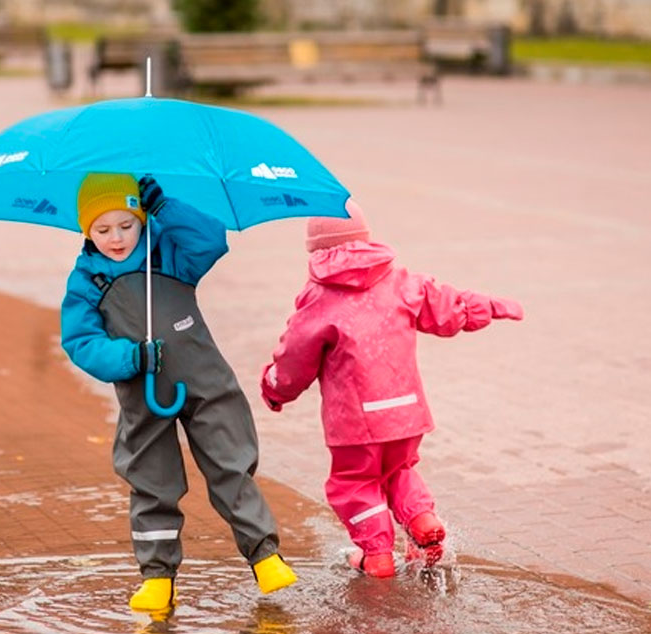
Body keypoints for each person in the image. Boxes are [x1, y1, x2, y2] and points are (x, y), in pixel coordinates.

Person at [61, 172, 297, 610]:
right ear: (86, 231)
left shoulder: (168, 252)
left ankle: (264, 555)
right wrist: (129, 358)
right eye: (103, 229)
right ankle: (158, 577)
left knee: (230, 462)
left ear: (140, 217)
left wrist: (167, 209)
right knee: (151, 480)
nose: (116, 238)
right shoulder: (86, 281)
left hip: (205, 381)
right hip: (143, 394)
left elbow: (211, 242)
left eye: (126, 225)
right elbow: (79, 341)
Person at [259, 199, 523, 577]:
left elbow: (294, 358)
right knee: (399, 470)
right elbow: (447, 305)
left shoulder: (319, 297)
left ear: (316, 249)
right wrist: (488, 307)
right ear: (365, 238)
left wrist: (274, 388)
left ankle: (377, 556)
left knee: (354, 483)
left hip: (354, 423)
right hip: (406, 412)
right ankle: (423, 521)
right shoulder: (400, 281)